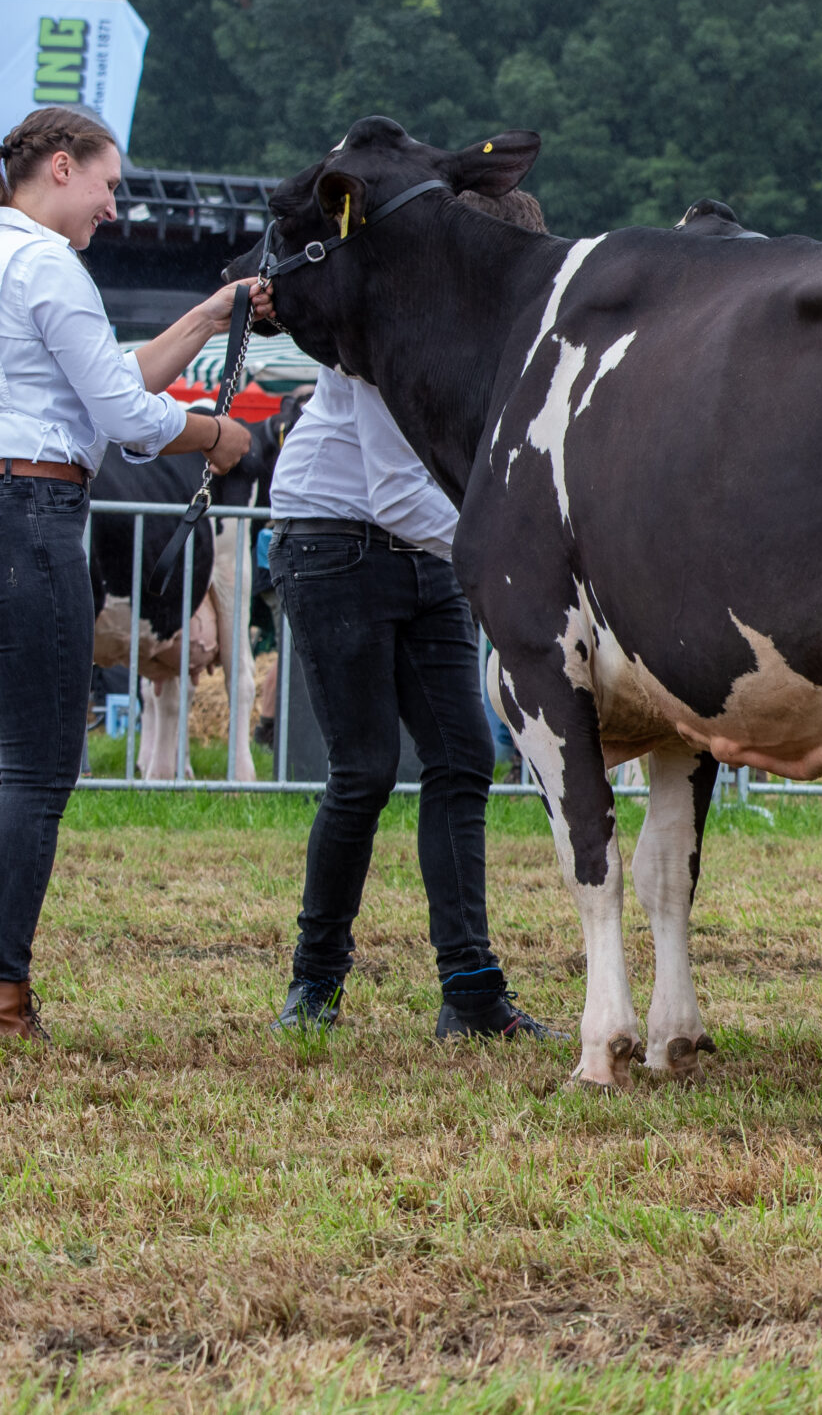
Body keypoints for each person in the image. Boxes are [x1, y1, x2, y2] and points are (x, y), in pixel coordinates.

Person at [266, 186, 560, 1039]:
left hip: (419, 550)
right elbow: (399, 488)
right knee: (362, 770)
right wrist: (509, 548)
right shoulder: (392, 329)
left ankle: (469, 989)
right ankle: (314, 983)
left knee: (463, 756)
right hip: (333, 540)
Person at [0, 107, 256, 1040]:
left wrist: (209, 315)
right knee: (32, 765)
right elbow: (126, 413)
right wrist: (215, 434)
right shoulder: (47, 265)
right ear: (61, 167)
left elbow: (112, 375)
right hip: (29, 513)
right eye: (109, 182)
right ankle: (4, 993)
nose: (116, 203)